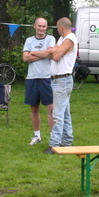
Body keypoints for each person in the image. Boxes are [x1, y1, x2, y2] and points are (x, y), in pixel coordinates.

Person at [44, 17, 78, 154]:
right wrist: (54, 51)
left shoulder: (69, 39)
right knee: (64, 113)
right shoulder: (62, 40)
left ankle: (55, 144)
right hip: (59, 80)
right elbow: (50, 54)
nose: (57, 30)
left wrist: (54, 51)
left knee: (57, 114)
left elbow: (55, 56)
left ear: (61, 28)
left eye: (57, 27)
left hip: (62, 80)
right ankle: (67, 141)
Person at [22, 18, 56, 146]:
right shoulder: (29, 40)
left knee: (51, 108)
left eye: (44, 26)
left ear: (46, 27)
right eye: (39, 26)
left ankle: (53, 137)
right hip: (32, 78)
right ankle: (37, 136)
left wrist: (33, 53)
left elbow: (50, 54)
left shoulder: (51, 39)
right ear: (35, 26)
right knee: (34, 109)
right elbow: (25, 57)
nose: (42, 29)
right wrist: (43, 53)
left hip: (47, 78)